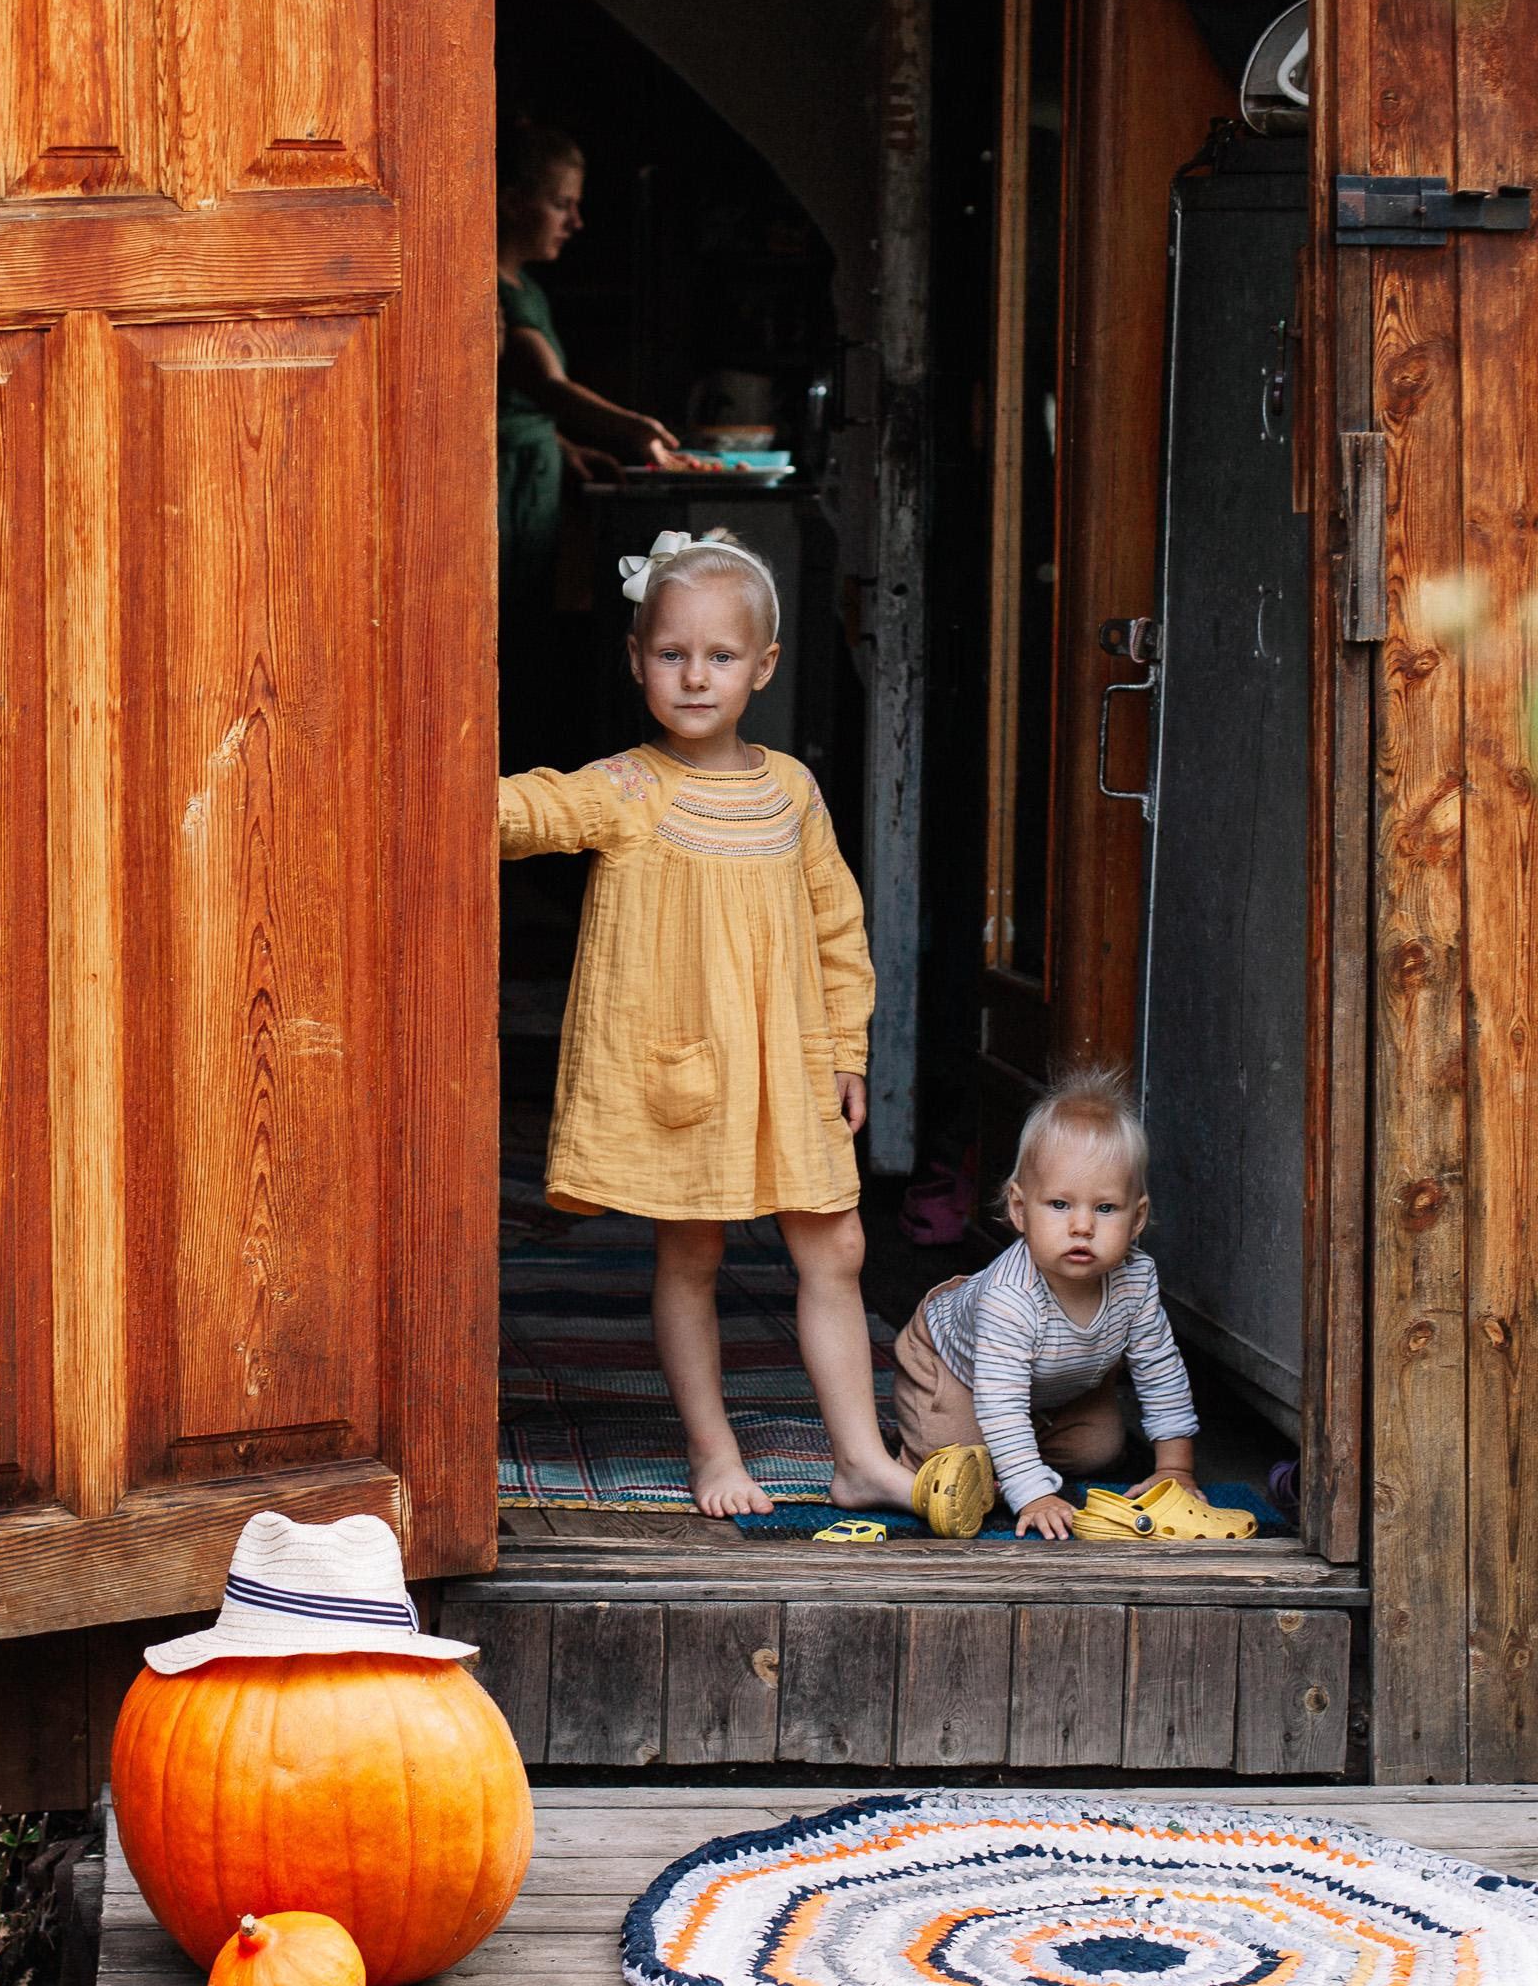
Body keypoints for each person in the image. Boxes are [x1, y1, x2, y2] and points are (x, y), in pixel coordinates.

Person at [499, 529, 981, 1527]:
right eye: (670, 653)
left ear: (761, 667)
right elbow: (526, 809)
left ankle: (857, 1456)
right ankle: (712, 1445)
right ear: (635, 660)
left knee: (836, 1245)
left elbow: (837, 929)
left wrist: (847, 1051)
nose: (692, 675)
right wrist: (430, 769)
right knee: (693, 1253)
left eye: (719, 656)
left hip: (793, 1066)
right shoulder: (628, 787)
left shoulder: (791, 789)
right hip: (697, 1073)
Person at [891, 1067, 1214, 1541]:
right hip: (949, 1367)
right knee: (951, 1449)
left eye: (1105, 1209)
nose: (1082, 1226)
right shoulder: (1010, 1297)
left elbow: (1160, 1370)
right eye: (1060, 1205)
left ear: (1137, 1217)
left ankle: (1016, 1454)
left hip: (1053, 1386)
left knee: (1100, 1451)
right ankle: (981, 1462)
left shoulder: (1136, 1279)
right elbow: (999, 1402)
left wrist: (1175, 1466)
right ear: (1020, 1210)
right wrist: (1034, 1494)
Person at [497, 119, 685, 765]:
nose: (575, 221)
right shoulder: (490, 294)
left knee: (528, 631)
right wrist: (634, 428)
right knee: (502, 638)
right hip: (501, 487)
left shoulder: (531, 289)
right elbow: (544, 384)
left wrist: (568, 453)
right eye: (560, 203)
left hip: (535, 475)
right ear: (510, 199)